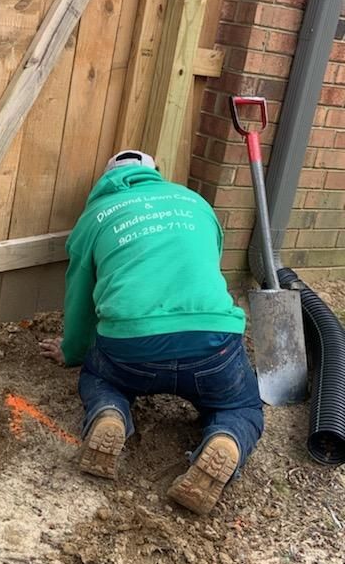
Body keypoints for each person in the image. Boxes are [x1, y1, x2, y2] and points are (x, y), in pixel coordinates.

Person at [40, 150, 263, 515]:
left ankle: (109, 412)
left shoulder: (96, 216)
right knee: (239, 404)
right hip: (211, 345)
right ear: (156, 174)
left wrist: (74, 351)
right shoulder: (196, 203)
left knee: (99, 377)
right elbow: (206, 264)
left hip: (132, 348)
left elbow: (79, 295)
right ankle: (228, 438)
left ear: (105, 182)